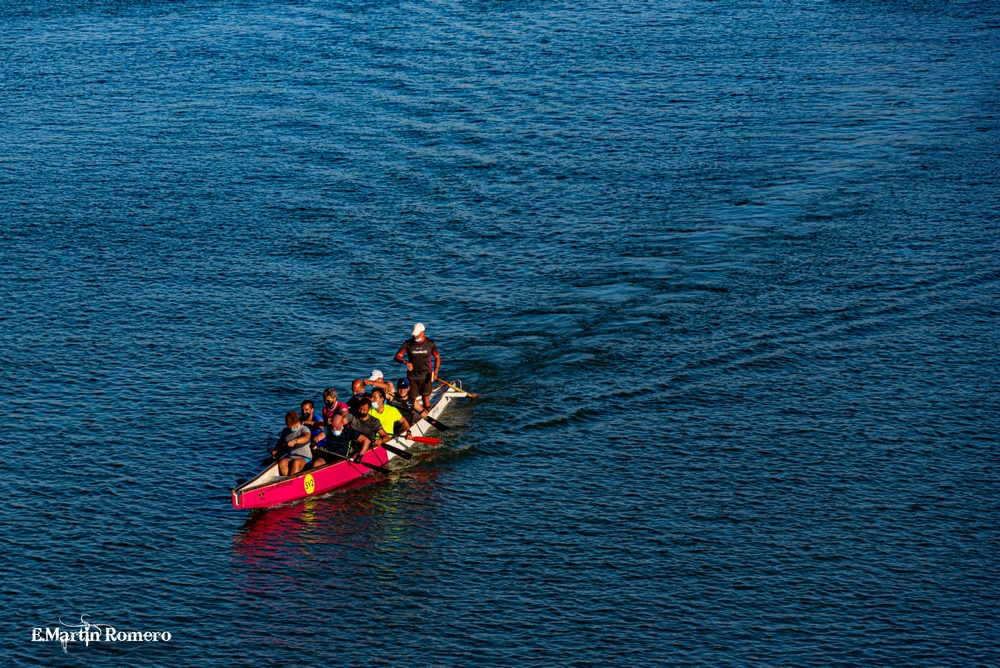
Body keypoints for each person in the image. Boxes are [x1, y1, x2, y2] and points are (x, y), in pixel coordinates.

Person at [394, 322, 440, 416]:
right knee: (412, 400)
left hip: (426, 376)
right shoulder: (408, 343)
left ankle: (429, 415)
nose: (415, 336)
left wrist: (435, 372)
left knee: (425, 398)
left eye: (417, 334)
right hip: (412, 377)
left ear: (423, 332)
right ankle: (411, 418)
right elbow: (397, 357)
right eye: (414, 334)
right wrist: (405, 362)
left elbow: (437, 357)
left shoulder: (430, 344)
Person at [273, 411, 312, 476]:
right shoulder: (285, 431)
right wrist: (276, 449)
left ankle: (292, 481)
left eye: (293, 425)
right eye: (289, 426)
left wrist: (295, 441)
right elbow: (281, 441)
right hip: (290, 457)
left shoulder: (304, 429)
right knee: (282, 462)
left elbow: (307, 437)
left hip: (305, 458)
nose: (291, 428)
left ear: (297, 422)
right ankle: (288, 480)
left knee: (296, 463)